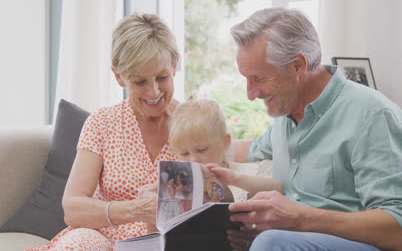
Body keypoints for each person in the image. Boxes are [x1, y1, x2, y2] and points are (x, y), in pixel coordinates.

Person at [227, 8, 402, 251]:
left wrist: (299, 220)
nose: (250, 94)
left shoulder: (372, 116)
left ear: (298, 66)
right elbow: (249, 149)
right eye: (246, 79)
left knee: (271, 242)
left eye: (259, 79)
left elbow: (399, 232)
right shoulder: (285, 116)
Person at [29, 13, 180, 251]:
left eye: (162, 77)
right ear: (119, 77)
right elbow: (73, 208)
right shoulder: (101, 123)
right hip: (105, 238)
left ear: (175, 65)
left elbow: (218, 187)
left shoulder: (194, 124)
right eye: (140, 82)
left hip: (170, 242)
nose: (153, 92)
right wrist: (135, 210)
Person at [167, 98, 282, 250]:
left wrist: (233, 181)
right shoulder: (177, 185)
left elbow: (279, 189)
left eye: (202, 150)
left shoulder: (252, 172)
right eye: (184, 153)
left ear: (225, 141)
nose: (194, 159)